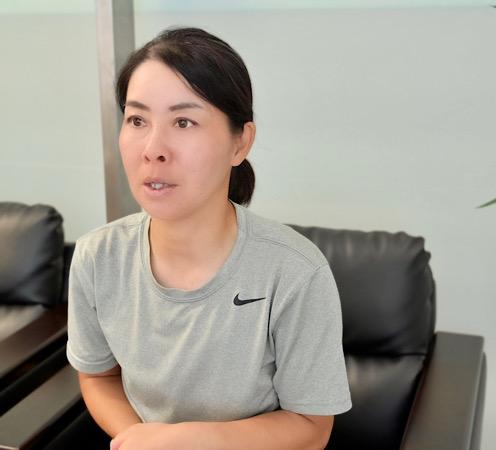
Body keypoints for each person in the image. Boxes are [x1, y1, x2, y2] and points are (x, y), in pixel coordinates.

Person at [66, 27, 352, 450]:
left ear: (241, 143)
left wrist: (186, 440)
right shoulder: (97, 256)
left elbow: (312, 427)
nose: (153, 149)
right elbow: (98, 376)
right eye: (137, 120)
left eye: (183, 122)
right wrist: (138, 439)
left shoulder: (295, 271)